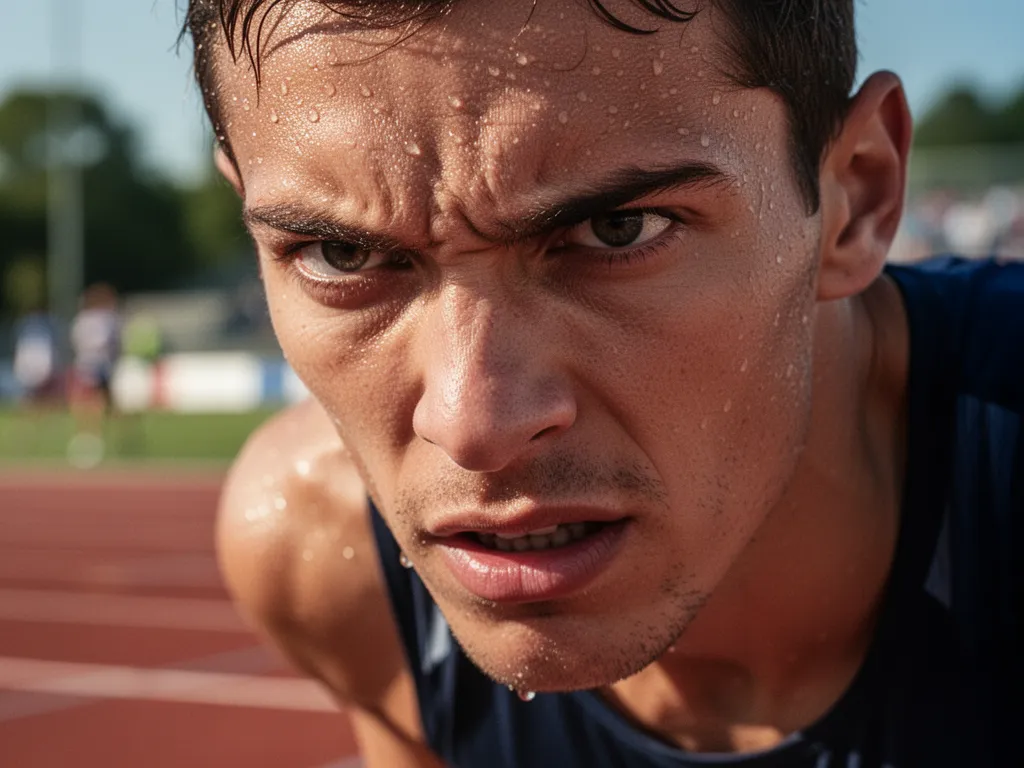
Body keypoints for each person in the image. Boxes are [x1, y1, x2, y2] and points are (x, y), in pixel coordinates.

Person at [183, 2, 1023, 765]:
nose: (473, 421)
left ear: (856, 195)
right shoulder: (323, 562)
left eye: (617, 230)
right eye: (342, 254)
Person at [67, 282, 122, 467]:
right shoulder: (104, 319)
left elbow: (76, 341)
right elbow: (107, 342)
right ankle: (93, 438)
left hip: (90, 364)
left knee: (93, 404)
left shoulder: (84, 319)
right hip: (96, 365)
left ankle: (95, 438)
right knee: (94, 404)